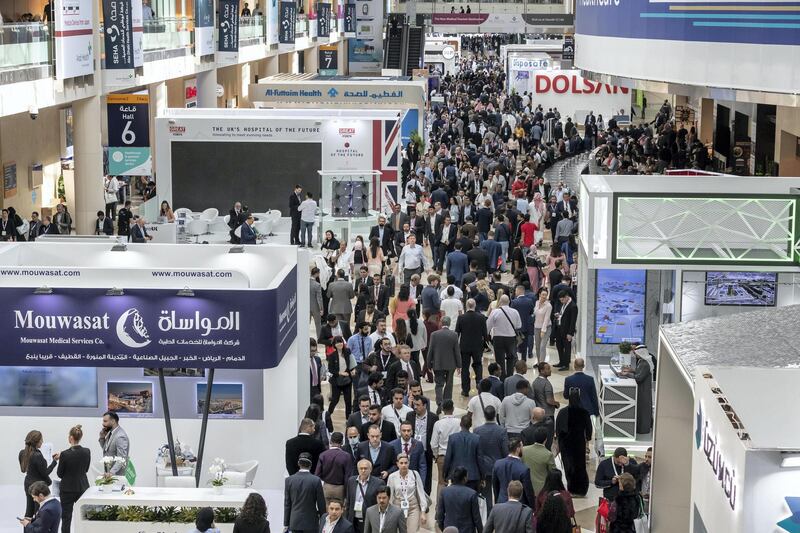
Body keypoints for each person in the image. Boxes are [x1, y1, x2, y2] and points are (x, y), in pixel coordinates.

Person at [56, 425, 90, 533]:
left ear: (70, 438)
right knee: (85, 517)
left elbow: (59, 474)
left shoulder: (64, 454)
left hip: (67, 490)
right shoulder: (87, 451)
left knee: (66, 518)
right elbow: (86, 469)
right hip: (83, 487)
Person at [473, 405, 507, 510]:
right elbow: (505, 451)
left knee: (486, 494)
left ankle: (488, 517)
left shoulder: (477, 431)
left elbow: (476, 451)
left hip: (484, 468)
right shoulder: (502, 431)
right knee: (500, 492)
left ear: (484, 415)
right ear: (494, 415)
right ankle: (498, 514)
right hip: (499, 466)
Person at [284, 453, 327, 533]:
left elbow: (287, 504)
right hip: (311, 522)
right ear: (311, 464)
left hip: (295, 521)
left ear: (298, 463)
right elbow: (321, 503)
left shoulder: (289, 480)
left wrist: (286, 523)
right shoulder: (316, 480)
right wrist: (323, 521)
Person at [386, 454, 429, 532]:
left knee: (412, 530)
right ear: (397, 464)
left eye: (406, 463)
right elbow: (390, 495)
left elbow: (421, 492)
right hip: (397, 507)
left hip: (413, 507)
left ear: (409, 463)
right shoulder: (392, 476)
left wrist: (423, 512)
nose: (404, 465)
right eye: (401, 463)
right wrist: (388, 512)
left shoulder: (415, 474)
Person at [19, 430, 56, 519]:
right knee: (38, 512)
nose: (42, 442)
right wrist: (54, 462)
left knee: (29, 511)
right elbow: (45, 473)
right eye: (41, 440)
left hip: (28, 484)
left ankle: (27, 529)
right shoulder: (37, 455)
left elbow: (24, 470)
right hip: (38, 487)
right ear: (37, 442)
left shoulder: (22, 453)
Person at [455, 299, 488, 397]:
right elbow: (485, 334)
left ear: (466, 306)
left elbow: (457, 332)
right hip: (477, 346)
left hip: (464, 346)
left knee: (465, 368)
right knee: (478, 365)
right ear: (475, 305)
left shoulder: (461, 318)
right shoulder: (481, 317)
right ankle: (479, 384)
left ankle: (465, 390)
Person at [427, 316, 461, 413]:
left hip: (438, 363)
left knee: (439, 384)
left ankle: (439, 402)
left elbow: (430, 350)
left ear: (441, 323)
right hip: (451, 364)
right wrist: (459, 365)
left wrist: (428, 364)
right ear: (449, 324)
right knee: (449, 384)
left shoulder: (434, 335)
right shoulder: (454, 335)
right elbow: (457, 351)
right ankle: (447, 403)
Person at [406, 395, 438, 494]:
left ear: (424, 405)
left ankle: (425, 494)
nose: (415, 407)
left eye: (418, 405)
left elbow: (435, 435)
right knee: (412, 472)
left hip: (426, 450)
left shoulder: (433, 417)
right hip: (413, 450)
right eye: (414, 404)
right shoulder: (410, 415)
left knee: (427, 474)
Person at [436, 466, 482, 533]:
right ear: (465, 478)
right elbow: (476, 518)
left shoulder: (444, 492)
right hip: (467, 530)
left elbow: (440, 515)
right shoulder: (472, 494)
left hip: (449, 529)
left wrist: (442, 528)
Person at [492, 437, 535, 508]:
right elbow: (528, 493)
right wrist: (532, 508)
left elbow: (495, 486)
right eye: (522, 447)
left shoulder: (497, 464)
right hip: (518, 506)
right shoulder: (524, 469)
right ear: (518, 449)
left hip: (501, 502)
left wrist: (497, 502)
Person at [443, 414, 482, 490]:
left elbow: (448, 458)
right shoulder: (477, 438)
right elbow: (480, 459)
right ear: (470, 425)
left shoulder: (452, 438)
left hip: (456, 474)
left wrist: (445, 474)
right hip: (472, 475)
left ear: (460, 424)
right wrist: (482, 476)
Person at [486, 295, 522, 377]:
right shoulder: (515, 312)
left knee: (499, 359)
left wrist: (486, 336)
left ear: (500, 302)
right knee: (511, 358)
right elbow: (519, 325)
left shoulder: (495, 312)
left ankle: (501, 377)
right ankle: (509, 376)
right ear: (509, 302)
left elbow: (488, 325)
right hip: (511, 338)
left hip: (498, 338)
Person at [620, 345, 654, 434]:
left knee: (643, 411)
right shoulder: (643, 361)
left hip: (643, 392)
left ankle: (642, 430)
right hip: (643, 390)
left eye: (636, 353)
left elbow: (639, 378)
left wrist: (626, 374)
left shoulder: (645, 363)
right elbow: (639, 372)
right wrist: (631, 370)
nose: (635, 355)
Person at [346, 460, 386, 533]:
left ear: (370, 469)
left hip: (369, 519)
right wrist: (347, 519)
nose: (363, 470)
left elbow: (382, 503)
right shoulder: (351, 481)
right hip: (353, 519)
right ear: (358, 469)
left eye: (365, 468)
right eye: (361, 468)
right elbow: (348, 501)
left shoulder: (379, 483)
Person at [316, 432, 355, 504]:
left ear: (330, 441)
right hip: (340, 489)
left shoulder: (323, 455)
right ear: (342, 442)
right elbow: (348, 477)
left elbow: (317, 474)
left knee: (327, 511)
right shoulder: (346, 456)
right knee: (338, 511)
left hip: (326, 488)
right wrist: (347, 493)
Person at [328, 336, 357, 416]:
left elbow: (352, 363)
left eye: (340, 342)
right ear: (334, 345)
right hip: (336, 381)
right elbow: (331, 369)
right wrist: (340, 373)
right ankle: (328, 414)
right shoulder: (332, 356)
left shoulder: (347, 351)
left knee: (348, 401)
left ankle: (348, 418)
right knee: (335, 400)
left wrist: (353, 370)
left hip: (347, 380)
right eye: (337, 342)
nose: (339, 344)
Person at [522, 427, 555, 495]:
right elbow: (553, 472)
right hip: (541, 490)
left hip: (525, 488)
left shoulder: (524, 450)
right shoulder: (548, 454)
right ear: (546, 439)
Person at [553, 290, 577, 371]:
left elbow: (573, 321)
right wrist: (558, 315)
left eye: (562, 300)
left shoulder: (573, 306)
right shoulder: (564, 304)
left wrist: (570, 333)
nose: (561, 301)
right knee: (559, 346)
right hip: (559, 328)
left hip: (567, 331)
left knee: (567, 348)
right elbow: (563, 315)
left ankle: (566, 364)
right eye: (560, 300)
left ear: (567, 297)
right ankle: (561, 362)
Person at [533, 287, 552, 364]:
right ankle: (538, 362)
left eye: (546, 295)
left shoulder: (548, 306)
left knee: (542, 346)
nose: (544, 296)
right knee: (537, 347)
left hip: (546, 328)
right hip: (536, 327)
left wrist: (543, 330)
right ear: (539, 294)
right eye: (543, 294)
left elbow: (546, 319)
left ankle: (542, 364)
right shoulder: (536, 302)